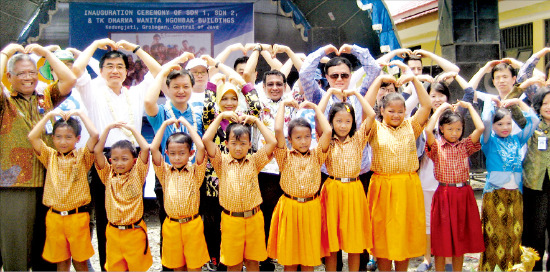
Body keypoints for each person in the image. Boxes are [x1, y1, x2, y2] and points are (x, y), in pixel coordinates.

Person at [72, 37, 161, 271]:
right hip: (105, 158)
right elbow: (75, 70)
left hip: (132, 159)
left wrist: (135, 49)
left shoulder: (135, 93)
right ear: (100, 71)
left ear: (127, 70)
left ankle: (135, 264)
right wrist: (92, 46)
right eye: (109, 66)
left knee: (134, 213)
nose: (114, 71)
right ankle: (107, 266)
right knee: (105, 216)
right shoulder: (91, 90)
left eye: (120, 66)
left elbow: (158, 71)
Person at [0, 43, 76, 271]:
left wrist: (46, 54)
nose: (28, 78)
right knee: (17, 249)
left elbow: (69, 80)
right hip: (14, 185)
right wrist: (5, 53)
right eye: (21, 73)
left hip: (49, 183)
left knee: (47, 251)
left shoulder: (45, 97)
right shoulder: (5, 102)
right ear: (9, 76)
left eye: (32, 72)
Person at [364, 74, 431, 271]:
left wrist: (414, 80)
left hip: (408, 187)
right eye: (391, 111)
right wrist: (378, 80)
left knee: (404, 237)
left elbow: (426, 106)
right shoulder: (374, 127)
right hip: (382, 187)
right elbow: (366, 108)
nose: (396, 115)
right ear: (382, 110)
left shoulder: (412, 126)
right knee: (383, 236)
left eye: (400, 111)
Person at [202, 112, 277, 272]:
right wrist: (221, 116)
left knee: (253, 262)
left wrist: (256, 120)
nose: (238, 148)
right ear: (226, 143)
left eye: (243, 143)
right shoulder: (221, 162)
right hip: (231, 220)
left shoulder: (255, 161)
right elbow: (206, 140)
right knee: (233, 264)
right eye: (234, 143)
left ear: (250, 144)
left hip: (254, 219)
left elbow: (272, 142)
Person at [200, 74, 260, 270]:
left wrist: (243, 85)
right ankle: (218, 261)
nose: (229, 103)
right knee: (216, 224)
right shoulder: (213, 117)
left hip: (241, 181)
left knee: (241, 224)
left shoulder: (243, 120)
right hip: (215, 181)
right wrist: (212, 85)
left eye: (233, 98)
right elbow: (208, 109)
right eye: (224, 98)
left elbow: (257, 108)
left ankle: (243, 260)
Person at [28, 109, 99, 271]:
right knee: (61, 261)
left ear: (77, 139)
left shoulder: (83, 157)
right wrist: (48, 116)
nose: (63, 142)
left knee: (80, 261)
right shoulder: (49, 156)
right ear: (52, 139)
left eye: (68, 137)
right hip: (55, 217)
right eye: (58, 137)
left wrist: (80, 114)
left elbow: (95, 135)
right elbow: (33, 137)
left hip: (77, 217)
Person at [267, 99, 332, 271]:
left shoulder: (317, 155)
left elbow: (327, 131)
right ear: (290, 139)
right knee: (290, 259)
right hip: (290, 207)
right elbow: (278, 129)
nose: (303, 141)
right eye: (298, 137)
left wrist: (316, 108)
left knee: (308, 259)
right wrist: (282, 105)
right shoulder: (284, 156)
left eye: (307, 137)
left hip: (311, 208)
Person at [317, 87, 376, 271]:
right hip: (332, 189)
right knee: (332, 243)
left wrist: (356, 95)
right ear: (331, 122)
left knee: (354, 241)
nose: (343, 125)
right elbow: (318, 115)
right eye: (338, 121)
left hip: (354, 190)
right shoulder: (326, 140)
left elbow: (372, 115)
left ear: (353, 122)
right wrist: (329, 93)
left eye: (348, 121)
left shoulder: (359, 139)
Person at [478, 98, 538, 271]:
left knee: (514, 236)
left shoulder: (517, 140)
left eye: (508, 123)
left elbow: (534, 121)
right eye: (500, 124)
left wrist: (518, 102)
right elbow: (487, 120)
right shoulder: (489, 141)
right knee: (494, 237)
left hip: (515, 196)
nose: (505, 127)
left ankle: (513, 268)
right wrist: (491, 104)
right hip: (495, 195)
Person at [424, 101, 485, 272]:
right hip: (443, 194)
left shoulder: (465, 145)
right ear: (442, 129)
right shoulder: (436, 146)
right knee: (441, 239)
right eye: (450, 129)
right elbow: (428, 130)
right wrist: (441, 109)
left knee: (460, 237)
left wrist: (470, 107)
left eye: (458, 129)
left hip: (463, 194)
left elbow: (480, 128)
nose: (454, 133)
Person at [150, 117, 209, 271]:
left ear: (190, 153)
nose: (177, 157)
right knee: (177, 267)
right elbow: (154, 149)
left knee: (195, 267)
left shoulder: (195, 172)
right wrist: (164, 125)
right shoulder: (165, 173)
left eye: (182, 153)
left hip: (192, 225)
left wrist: (188, 125)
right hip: (172, 226)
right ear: (167, 153)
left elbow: (202, 148)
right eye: (173, 153)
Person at [93, 122, 153, 271]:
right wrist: (107, 128)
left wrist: (131, 129)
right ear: (110, 160)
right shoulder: (107, 175)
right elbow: (97, 151)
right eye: (115, 159)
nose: (119, 163)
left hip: (134, 232)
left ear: (134, 161)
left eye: (124, 159)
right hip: (113, 232)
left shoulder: (138, 174)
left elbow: (145, 148)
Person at [523, 87, 550, 271]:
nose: (548, 107)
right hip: (535, 185)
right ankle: (535, 267)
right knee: (535, 231)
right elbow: (515, 111)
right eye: (545, 103)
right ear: (538, 106)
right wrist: (517, 101)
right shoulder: (532, 124)